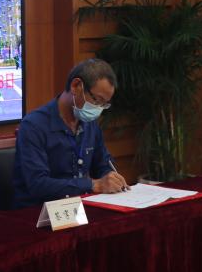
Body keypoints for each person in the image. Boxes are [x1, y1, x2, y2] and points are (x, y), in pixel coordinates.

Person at [12, 58, 128, 208]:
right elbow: (38, 184)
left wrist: (110, 177)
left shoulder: (89, 123)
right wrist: (93, 185)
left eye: (103, 104)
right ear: (76, 86)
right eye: (97, 100)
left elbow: (103, 164)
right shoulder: (33, 126)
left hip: (78, 209)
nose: (98, 109)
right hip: (37, 212)